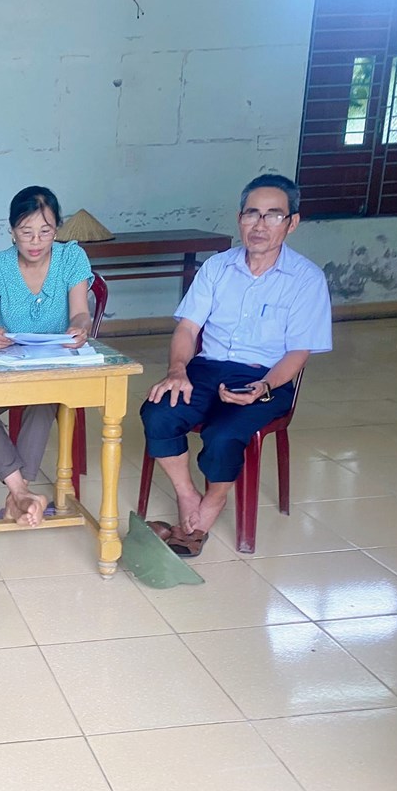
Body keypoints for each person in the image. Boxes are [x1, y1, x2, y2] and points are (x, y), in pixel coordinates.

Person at [140, 174, 332, 557]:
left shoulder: (306, 279)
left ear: (292, 222)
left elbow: (298, 353)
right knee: (158, 411)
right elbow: (188, 328)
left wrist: (265, 386)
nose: (259, 225)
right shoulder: (217, 268)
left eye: (273, 215)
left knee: (225, 433)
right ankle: (187, 495)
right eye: (251, 214)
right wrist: (177, 370)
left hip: (265, 377)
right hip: (206, 369)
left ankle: (212, 502)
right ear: (239, 218)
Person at [0, 185, 93, 528]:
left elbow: (81, 313)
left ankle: (17, 496)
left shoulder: (71, 258)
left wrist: (80, 328)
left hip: (54, 365)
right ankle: (22, 491)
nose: (36, 242)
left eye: (45, 231)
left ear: (57, 230)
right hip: (9, 365)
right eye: (26, 232)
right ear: (11, 231)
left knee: (44, 397)